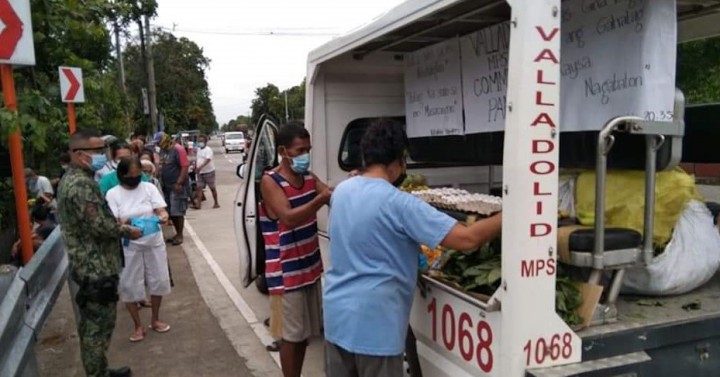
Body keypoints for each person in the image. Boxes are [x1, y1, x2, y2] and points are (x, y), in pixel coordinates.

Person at [323, 119, 503, 377]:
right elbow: (467, 239)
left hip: (336, 318)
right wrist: (511, 213)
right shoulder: (399, 203)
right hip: (376, 327)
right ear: (398, 161)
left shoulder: (341, 191)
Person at [56, 129, 143, 377]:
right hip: (95, 268)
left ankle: (100, 370)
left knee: (92, 326)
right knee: (97, 329)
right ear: (80, 154)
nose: (103, 156)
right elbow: (100, 226)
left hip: (91, 264)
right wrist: (128, 230)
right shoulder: (81, 185)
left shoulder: (74, 179)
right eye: (98, 151)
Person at [259, 122, 332, 377]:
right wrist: (321, 199)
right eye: (300, 150)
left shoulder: (309, 177)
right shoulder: (270, 181)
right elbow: (288, 217)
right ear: (283, 151)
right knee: (288, 337)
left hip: (309, 268)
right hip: (283, 275)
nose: (305, 156)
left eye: (308, 150)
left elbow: (332, 196)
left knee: (301, 336)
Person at [106, 158, 172, 343]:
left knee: (158, 279)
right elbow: (114, 221)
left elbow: (160, 209)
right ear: (121, 175)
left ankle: (155, 318)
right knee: (129, 285)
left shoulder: (148, 188)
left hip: (153, 242)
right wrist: (130, 225)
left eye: (138, 176)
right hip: (130, 245)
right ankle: (137, 325)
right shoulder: (113, 194)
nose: (135, 179)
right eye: (131, 176)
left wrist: (162, 216)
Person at [154, 132, 190, 246]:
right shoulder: (163, 151)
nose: (158, 145)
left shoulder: (178, 149)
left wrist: (179, 182)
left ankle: (180, 234)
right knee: (171, 211)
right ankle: (176, 233)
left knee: (177, 211)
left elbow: (185, 166)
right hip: (167, 186)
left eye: (159, 142)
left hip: (177, 185)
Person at [193, 134, 219, 209]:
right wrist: (196, 167)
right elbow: (197, 159)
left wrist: (200, 167)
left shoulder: (208, 150)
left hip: (209, 172)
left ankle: (216, 203)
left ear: (205, 142)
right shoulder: (198, 150)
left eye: (202, 141)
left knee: (212, 188)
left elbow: (208, 160)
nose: (200, 142)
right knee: (199, 187)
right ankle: (198, 204)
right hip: (200, 172)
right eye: (199, 141)